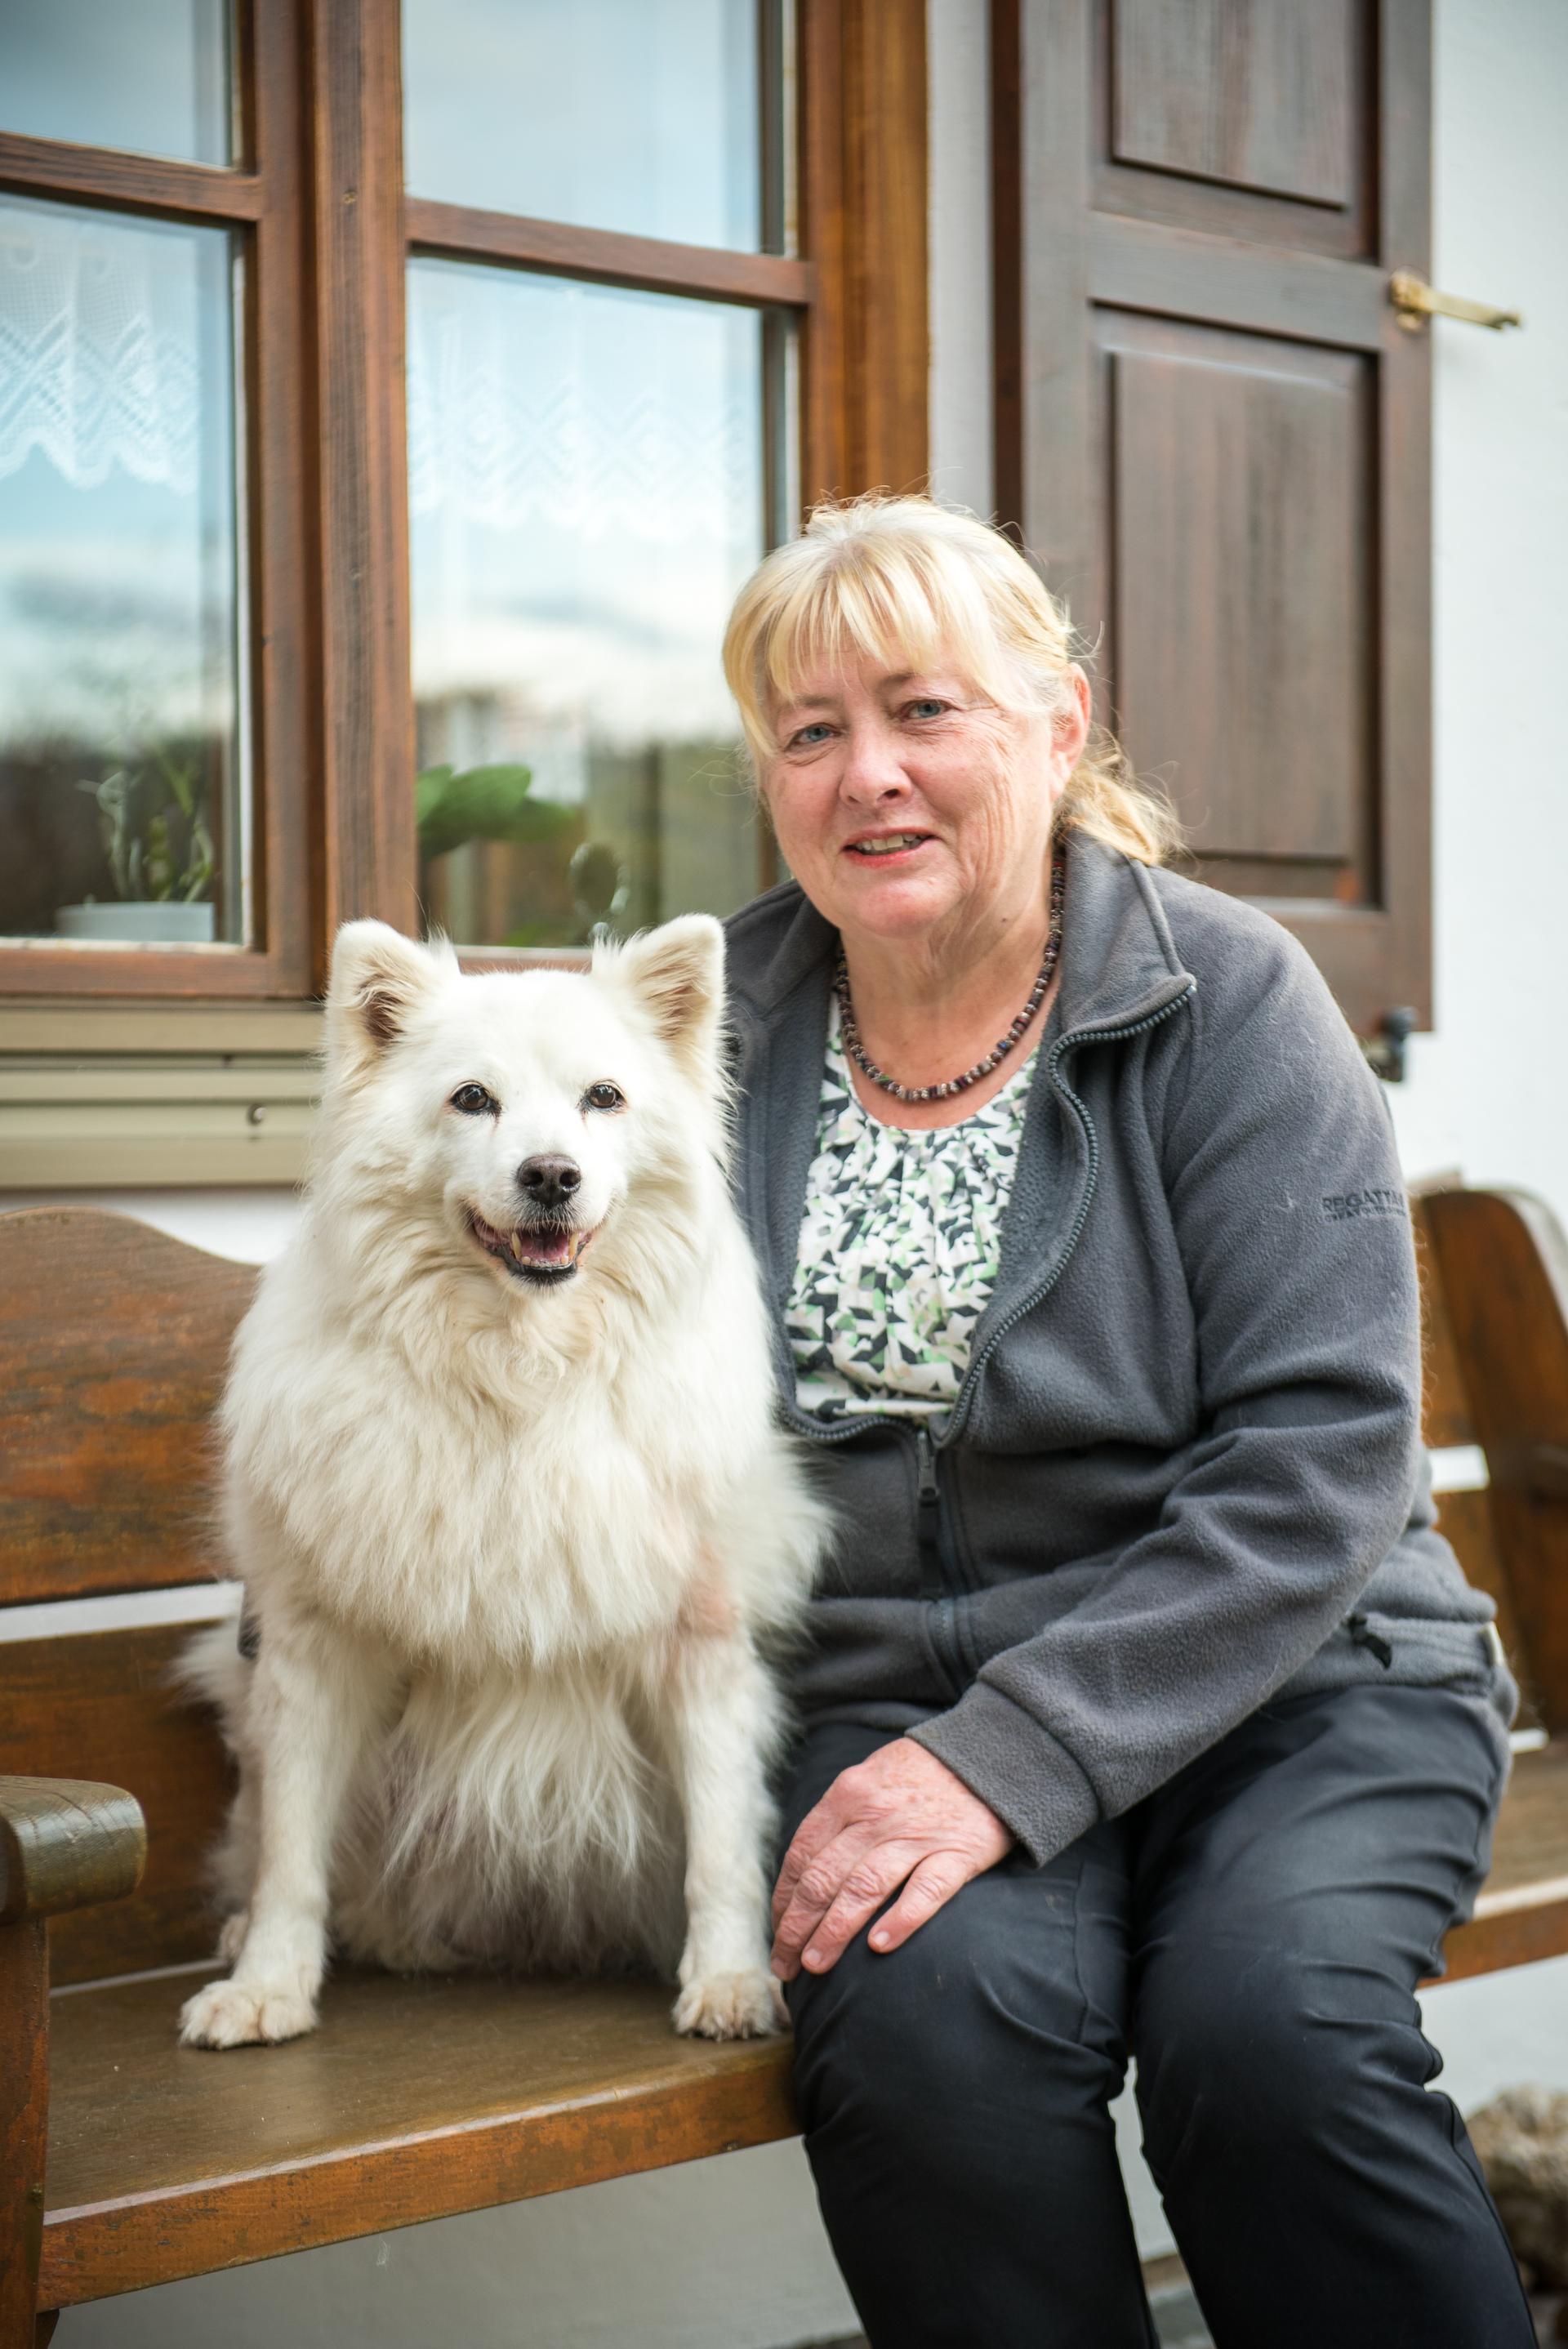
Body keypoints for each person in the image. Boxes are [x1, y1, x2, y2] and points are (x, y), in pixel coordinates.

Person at [715, 494, 1530, 2348]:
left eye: (926, 710)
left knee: (1273, 2040)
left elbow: (1323, 1460)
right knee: (922, 2035)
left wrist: (1016, 1753)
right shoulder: (723, 1027)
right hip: (895, 1710)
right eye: (813, 728)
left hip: (1299, 1684)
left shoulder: (1222, 993)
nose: (871, 777)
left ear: (1059, 725)